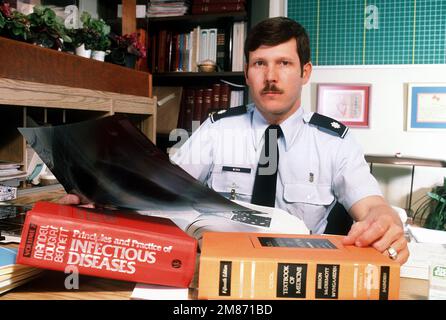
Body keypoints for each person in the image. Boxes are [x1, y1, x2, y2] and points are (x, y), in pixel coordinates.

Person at [60, 17, 408, 264]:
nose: (271, 77)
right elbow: (161, 189)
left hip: (297, 273)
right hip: (216, 268)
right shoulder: (217, 129)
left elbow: (371, 204)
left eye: (284, 63)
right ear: (247, 73)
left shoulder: (335, 141)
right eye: (260, 64)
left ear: (305, 72)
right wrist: (101, 196)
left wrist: (384, 220)